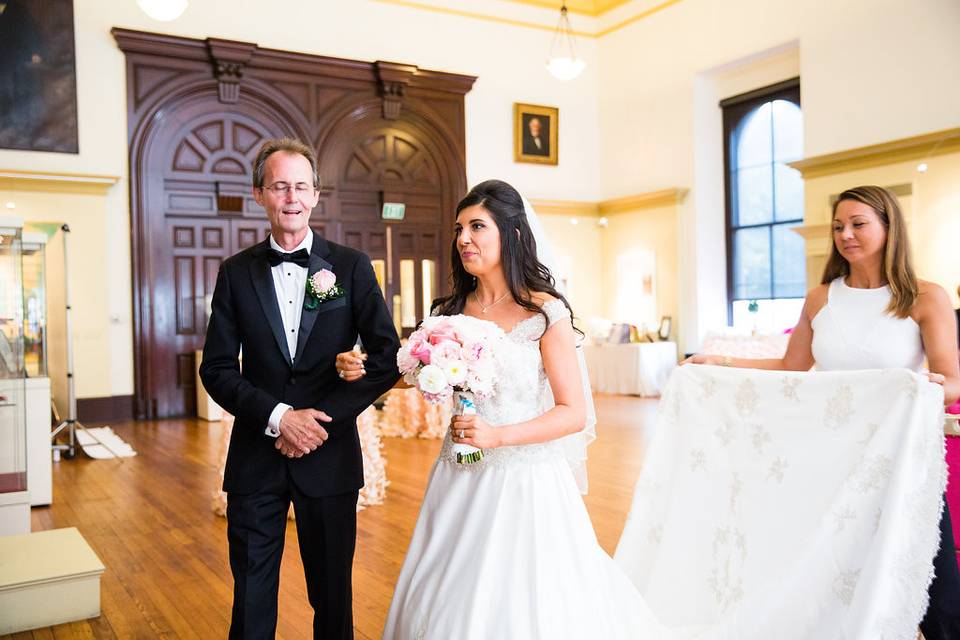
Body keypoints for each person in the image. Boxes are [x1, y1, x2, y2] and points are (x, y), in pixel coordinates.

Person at [336, 180, 662, 638]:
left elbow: (574, 412)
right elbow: (411, 371)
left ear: (510, 233)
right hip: (459, 476)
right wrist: (362, 366)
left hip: (525, 480)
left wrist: (497, 436)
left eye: (476, 227)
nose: (463, 238)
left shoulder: (545, 313)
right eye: (459, 229)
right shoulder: (448, 311)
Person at [679, 185, 960, 639]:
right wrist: (720, 360)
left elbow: (952, 381)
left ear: (889, 228)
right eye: (838, 227)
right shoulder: (821, 298)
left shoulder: (925, 298)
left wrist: (918, 387)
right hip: (832, 457)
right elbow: (792, 367)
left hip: (904, 457)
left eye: (858, 224)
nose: (845, 235)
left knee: (936, 584)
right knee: (833, 574)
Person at [199, 137, 400, 639]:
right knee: (251, 594)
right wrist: (279, 418)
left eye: (301, 187)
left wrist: (317, 420)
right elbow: (218, 368)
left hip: (328, 456)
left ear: (315, 196)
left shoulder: (351, 267)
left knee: (332, 597)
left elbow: (386, 357)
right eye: (280, 186)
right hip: (255, 457)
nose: (291, 197)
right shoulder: (235, 273)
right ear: (260, 194)